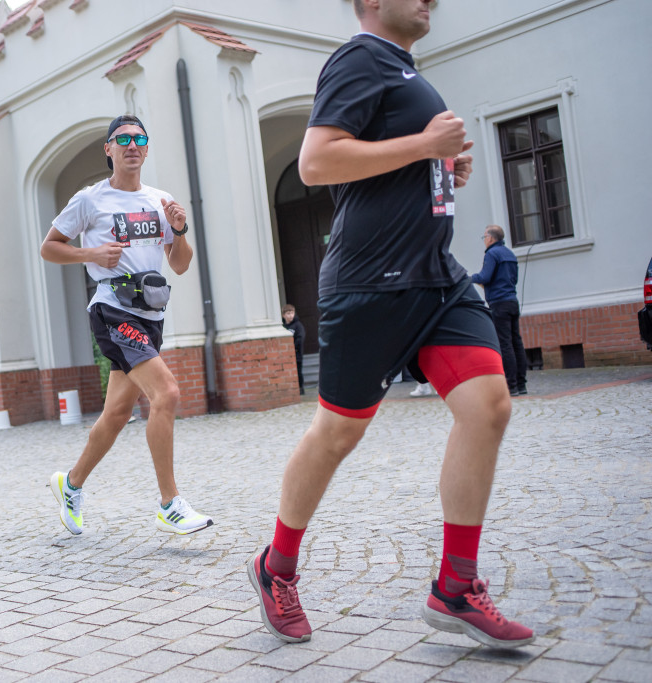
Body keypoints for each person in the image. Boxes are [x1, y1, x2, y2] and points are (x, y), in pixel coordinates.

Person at [248, 0, 533, 649]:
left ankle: (455, 584)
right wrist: (425, 145)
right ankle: (276, 566)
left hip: (436, 278)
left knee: (488, 406)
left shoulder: (408, 72)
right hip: (368, 284)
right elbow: (317, 162)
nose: (432, 1)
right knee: (335, 434)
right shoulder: (360, 58)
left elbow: (390, 161)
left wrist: (440, 166)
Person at [40, 114, 213, 536]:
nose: (132, 145)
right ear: (109, 149)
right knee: (167, 393)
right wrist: (92, 255)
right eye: (123, 140)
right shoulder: (90, 200)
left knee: (117, 414)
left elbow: (181, 264)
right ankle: (169, 503)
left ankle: (71, 484)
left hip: (151, 312)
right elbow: (49, 248)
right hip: (112, 309)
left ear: (147, 149)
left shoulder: (160, 200)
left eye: (139, 139)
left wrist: (180, 230)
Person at [471, 225, 528, 396]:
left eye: (484, 237)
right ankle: (521, 383)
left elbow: (485, 277)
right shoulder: (509, 253)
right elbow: (513, 279)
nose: (484, 240)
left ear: (490, 238)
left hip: (499, 303)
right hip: (512, 301)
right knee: (517, 342)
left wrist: (468, 279)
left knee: (505, 344)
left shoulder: (491, 254)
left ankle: (511, 386)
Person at [282, 305, 306, 396]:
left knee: (298, 371)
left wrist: (293, 347)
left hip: (297, 353)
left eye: (292, 313)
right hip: (286, 354)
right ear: (284, 315)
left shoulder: (298, 325)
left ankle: (300, 388)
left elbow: (300, 338)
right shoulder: (283, 327)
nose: (290, 315)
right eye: (288, 313)